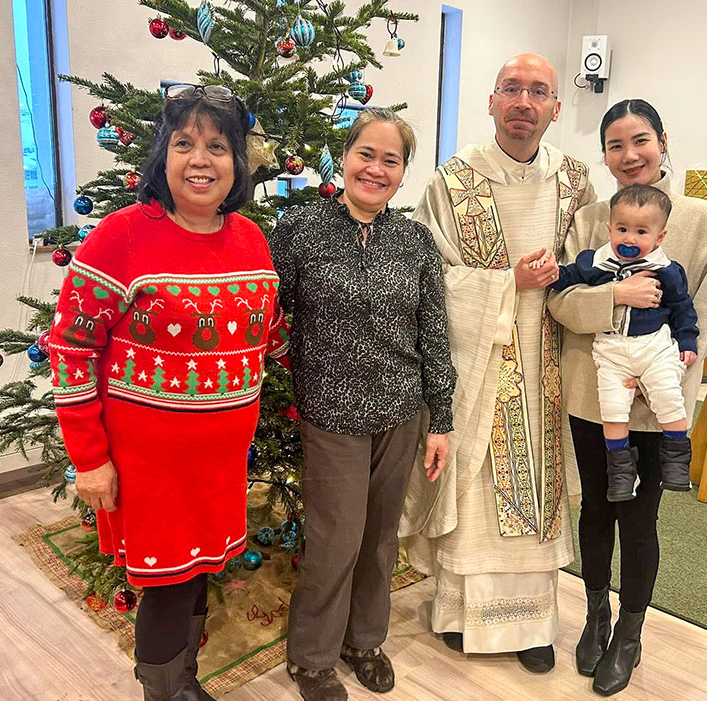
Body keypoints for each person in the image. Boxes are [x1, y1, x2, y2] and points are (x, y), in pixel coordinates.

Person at [49, 83, 288, 701]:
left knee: (203, 568)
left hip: (219, 461)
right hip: (149, 465)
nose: (200, 159)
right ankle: (162, 692)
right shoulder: (122, 237)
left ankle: (184, 682)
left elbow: (268, 332)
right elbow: (73, 348)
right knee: (166, 581)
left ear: (238, 163)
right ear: (164, 157)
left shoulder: (250, 239)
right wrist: (90, 460)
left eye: (216, 146)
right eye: (184, 144)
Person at [400, 53, 595, 673]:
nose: (523, 102)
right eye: (511, 89)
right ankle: (462, 618)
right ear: (491, 102)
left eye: (538, 91)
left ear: (555, 109)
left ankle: (535, 626)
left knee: (538, 490)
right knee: (479, 488)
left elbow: (595, 263)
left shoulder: (575, 182)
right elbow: (432, 279)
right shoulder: (452, 181)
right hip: (478, 361)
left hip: (550, 362)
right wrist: (506, 282)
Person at [547, 99, 707, 696]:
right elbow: (559, 299)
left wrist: (666, 374)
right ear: (603, 155)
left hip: (655, 399)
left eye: (641, 141)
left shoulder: (702, 220)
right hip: (592, 392)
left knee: (639, 517)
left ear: (662, 141)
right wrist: (617, 297)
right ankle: (596, 614)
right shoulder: (589, 218)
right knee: (596, 509)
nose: (630, 156)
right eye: (615, 146)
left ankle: (630, 631)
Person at [270, 108, 456, 701]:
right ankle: (313, 657)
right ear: (344, 158)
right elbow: (261, 311)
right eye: (365, 155)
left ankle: (365, 641)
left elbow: (433, 330)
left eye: (390, 160)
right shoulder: (300, 229)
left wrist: (441, 420)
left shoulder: (414, 240)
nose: (375, 169)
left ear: (403, 174)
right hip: (332, 416)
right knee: (336, 538)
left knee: (379, 536)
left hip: (401, 413)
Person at [546, 184, 699, 501]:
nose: (630, 239)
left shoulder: (666, 270)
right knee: (612, 411)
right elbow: (569, 277)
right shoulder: (597, 262)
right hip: (612, 351)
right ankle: (620, 471)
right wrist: (550, 272)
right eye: (622, 229)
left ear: (659, 238)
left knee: (669, 399)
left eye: (641, 231)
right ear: (609, 229)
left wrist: (688, 341)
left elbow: (683, 309)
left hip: (654, 348)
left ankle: (675, 459)